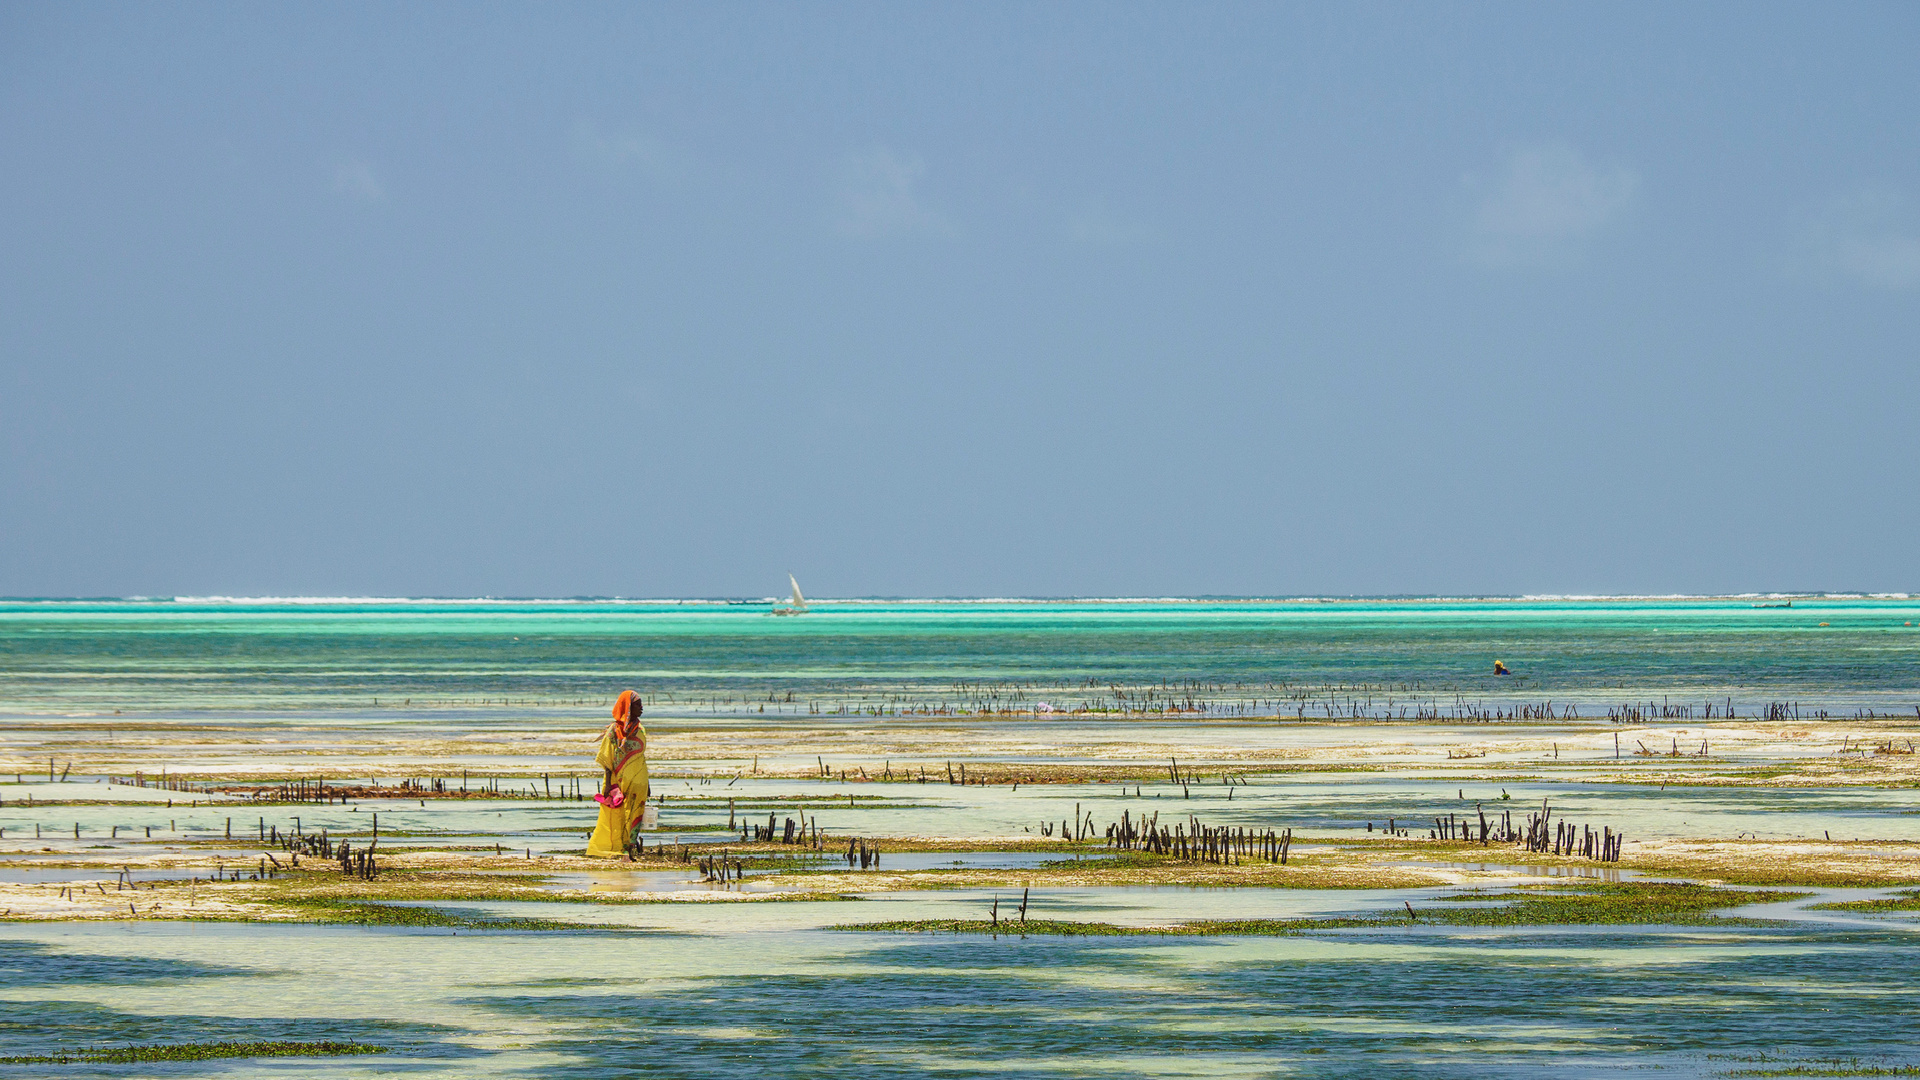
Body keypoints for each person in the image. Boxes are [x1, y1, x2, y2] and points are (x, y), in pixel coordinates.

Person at [587, 690, 650, 859]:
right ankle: (620, 849)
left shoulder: (641, 729)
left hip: (640, 779)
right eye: (638, 704)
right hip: (619, 780)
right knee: (619, 814)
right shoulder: (614, 730)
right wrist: (608, 784)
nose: (642, 708)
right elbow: (607, 757)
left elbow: (641, 757)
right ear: (628, 707)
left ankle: (629, 849)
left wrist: (648, 783)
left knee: (636, 813)